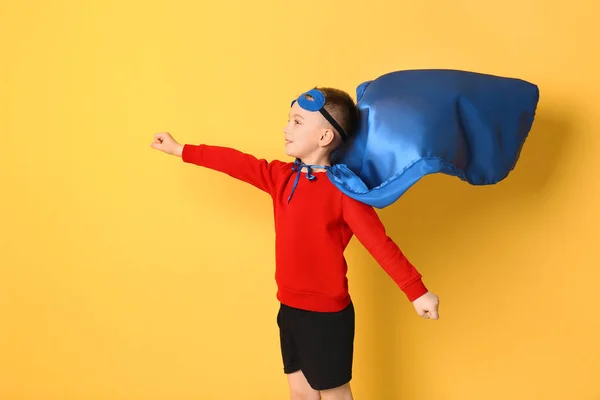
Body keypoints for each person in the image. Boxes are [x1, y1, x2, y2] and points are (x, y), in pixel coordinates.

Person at [150, 87, 440, 400]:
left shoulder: (344, 191)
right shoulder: (282, 177)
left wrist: (417, 291)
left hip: (326, 316)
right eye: (289, 120)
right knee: (300, 393)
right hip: (289, 308)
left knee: (334, 394)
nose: (287, 128)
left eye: (298, 122)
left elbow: (379, 243)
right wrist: (181, 150)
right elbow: (235, 162)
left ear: (325, 137)